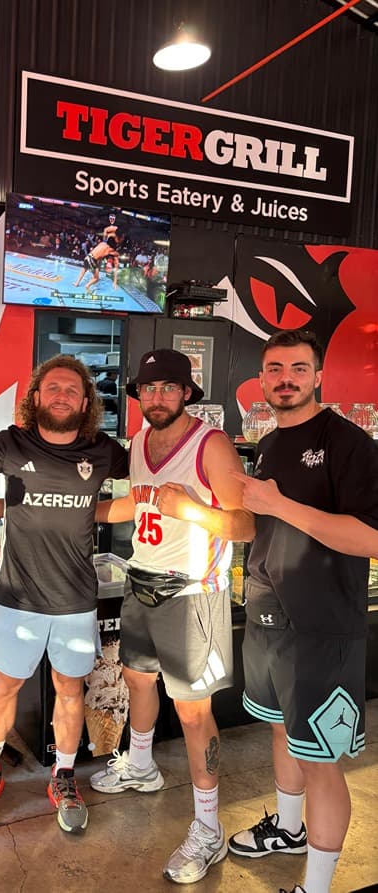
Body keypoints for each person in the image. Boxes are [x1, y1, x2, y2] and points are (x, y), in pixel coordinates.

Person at [90, 348, 255, 884]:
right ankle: (141, 767)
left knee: (192, 713)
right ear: (138, 394)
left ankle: (209, 829)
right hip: (141, 581)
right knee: (137, 679)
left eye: (168, 387)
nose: (156, 397)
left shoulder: (212, 445)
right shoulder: (139, 442)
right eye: (148, 388)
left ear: (187, 392)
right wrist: (72, 512)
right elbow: (135, 504)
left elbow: (244, 524)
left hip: (192, 594)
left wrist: (192, 510)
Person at [227, 329, 378, 893]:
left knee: (321, 760)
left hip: (322, 628)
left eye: (297, 368)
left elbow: (371, 538)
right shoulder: (269, 442)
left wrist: (278, 503)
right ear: (262, 379)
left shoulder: (348, 443)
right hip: (269, 618)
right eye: (275, 369)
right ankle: (289, 831)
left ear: (318, 376)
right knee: (281, 731)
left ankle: (315, 887)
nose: (285, 379)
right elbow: (263, 527)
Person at [0, 355, 129, 833]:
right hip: (18, 598)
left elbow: (149, 471)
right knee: (5, 686)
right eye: (52, 387)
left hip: (75, 600)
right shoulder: (8, 444)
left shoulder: (103, 451)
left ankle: (64, 776)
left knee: (69, 690)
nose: (61, 396)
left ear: (86, 403)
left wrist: (98, 511)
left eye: (72, 390)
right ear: (35, 397)